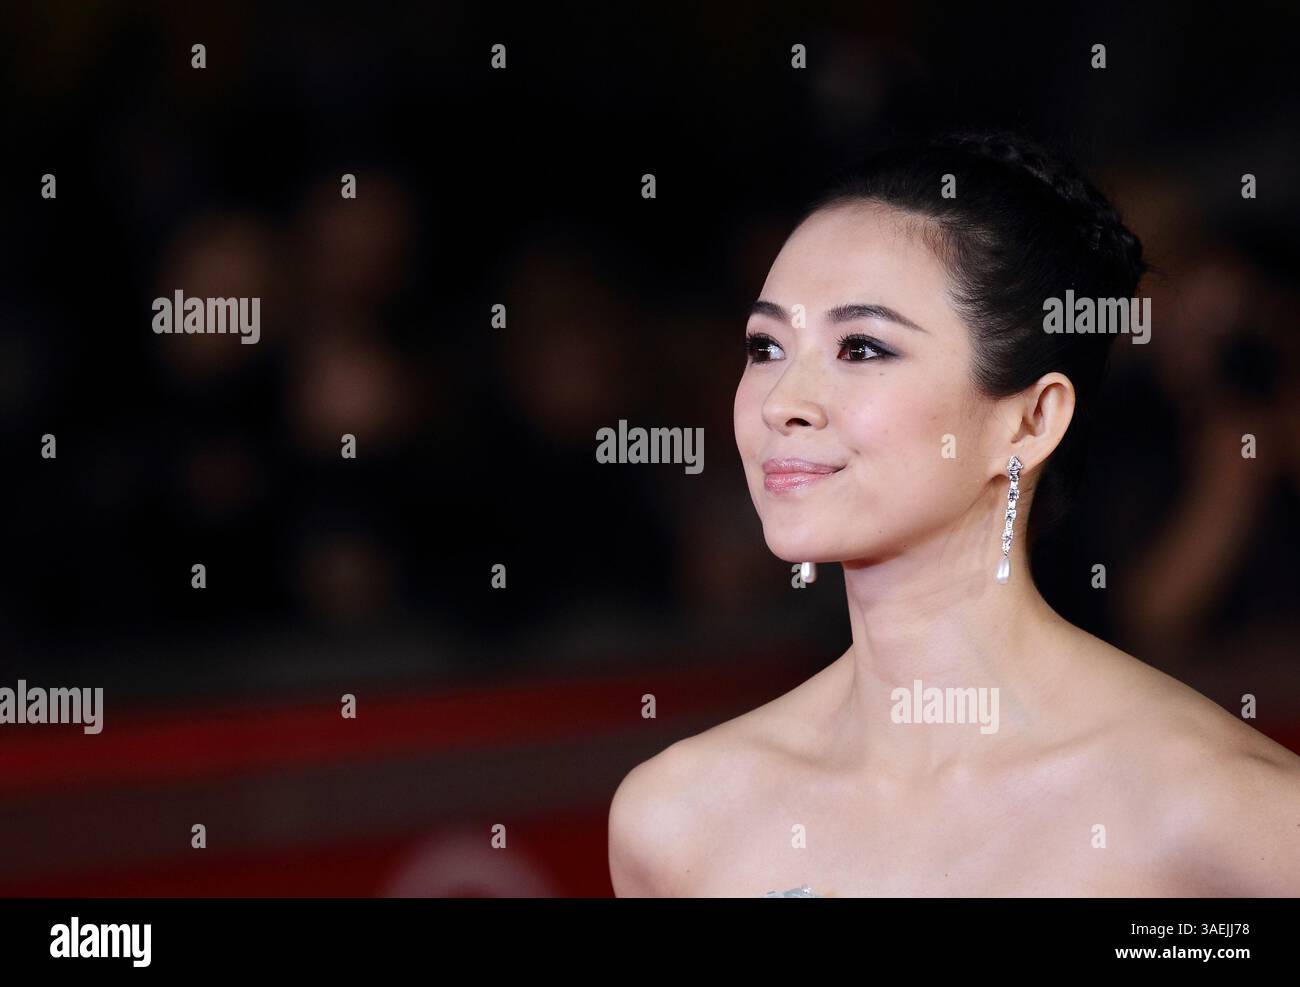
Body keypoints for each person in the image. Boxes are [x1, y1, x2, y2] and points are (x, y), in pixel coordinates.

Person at [607, 131, 1300, 897]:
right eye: (766, 346)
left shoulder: (1223, 815)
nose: (783, 403)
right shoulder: (678, 820)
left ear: (1032, 420)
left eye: (862, 347)